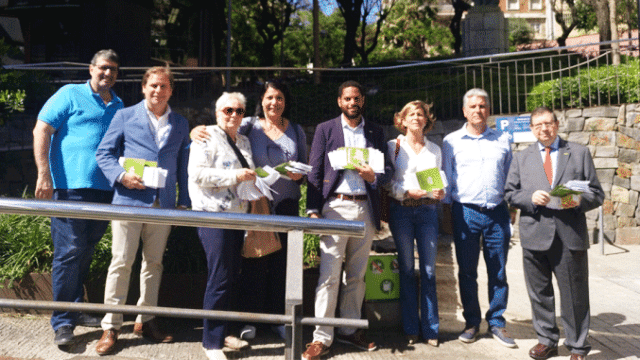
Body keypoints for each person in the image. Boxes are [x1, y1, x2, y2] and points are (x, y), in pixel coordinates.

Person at [190, 81, 307, 340]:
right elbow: (221, 131)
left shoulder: (296, 131)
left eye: (279, 97)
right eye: (269, 98)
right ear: (261, 102)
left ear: (285, 102)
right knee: (253, 262)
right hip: (255, 204)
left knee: (281, 266)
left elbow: (306, 168)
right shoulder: (248, 125)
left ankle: (278, 319)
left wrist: (298, 175)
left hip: (286, 205)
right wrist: (196, 131)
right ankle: (248, 321)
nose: (274, 103)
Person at [93, 66, 191, 354]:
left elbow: (183, 166)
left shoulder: (181, 123)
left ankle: (145, 320)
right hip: (128, 201)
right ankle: (110, 326)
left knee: (154, 264)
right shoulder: (124, 116)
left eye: (164, 86)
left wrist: (183, 199)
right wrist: (121, 176)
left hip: (164, 205)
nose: (158, 91)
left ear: (171, 90)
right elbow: (103, 153)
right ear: (143, 88)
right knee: (121, 262)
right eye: (153, 86)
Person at [32, 49, 124, 347]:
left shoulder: (119, 105)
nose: (107, 74)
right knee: (69, 251)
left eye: (113, 70)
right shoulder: (69, 94)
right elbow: (42, 129)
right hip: (69, 188)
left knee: (85, 251)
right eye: (103, 68)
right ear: (91, 68)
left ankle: (74, 308)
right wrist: (43, 174)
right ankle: (62, 322)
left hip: (104, 190)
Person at [505, 107, 604, 360]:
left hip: (569, 235)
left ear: (557, 124)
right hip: (534, 234)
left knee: (574, 294)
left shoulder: (579, 153)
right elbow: (510, 194)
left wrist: (576, 201)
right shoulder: (521, 158)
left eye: (547, 123)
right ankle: (546, 340)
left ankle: (578, 346)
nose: (543, 129)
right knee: (539, 293)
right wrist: (529, 197)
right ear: (531, 129)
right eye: (537, 125)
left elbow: (596, 193)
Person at [302, 80, 392, 360]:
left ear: (362, 101)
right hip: (335, 208)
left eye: (357, 98)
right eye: (347, 99)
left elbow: (388, 171)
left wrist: (373, 177)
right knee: (328, 276)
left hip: (365, 208)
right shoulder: (325, 129)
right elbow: (315, 172)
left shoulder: (376, 131)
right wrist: (313, 210)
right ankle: (322, 337)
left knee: (357, 275)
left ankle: (350, 331)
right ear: (339, 102)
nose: (353, 103)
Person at [441, 88, 516, 348]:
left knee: (498, 270)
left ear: (489, 109)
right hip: (465, 212)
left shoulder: (503, 140)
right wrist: (447, 213)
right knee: (467, 271)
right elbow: (447, 180)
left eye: (482, 106)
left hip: (497, 212)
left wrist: (510, 208)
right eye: (472, 106)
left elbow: (509, 177)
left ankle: (496, 321)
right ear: (464, 111)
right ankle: (472, 321)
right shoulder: (451, 141)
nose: (477, 111)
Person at [188, 92, 256, 360]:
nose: (233, 115)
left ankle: (223, 331)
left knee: (230, 275)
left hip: (238, 215)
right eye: (228, 110)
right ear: (217, 113)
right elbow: (198, 174)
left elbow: (249, 174)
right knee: (219, 276)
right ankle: (211, 343)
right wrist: (235, 175)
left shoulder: (245, 140)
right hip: (212, 215)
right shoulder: (205, 136)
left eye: (239, 111)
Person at [385, 100, 444, 347]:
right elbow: (387, 182)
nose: (416, 117)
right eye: (411, 114)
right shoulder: (393, 147)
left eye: (420, 114)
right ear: (403, 119)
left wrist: (440, 192)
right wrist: (408, 192)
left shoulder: (435, 150)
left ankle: (431, 329)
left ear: (426, 119)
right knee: (407, 270)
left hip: (428, 212)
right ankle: (410, 327)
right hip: (402, 212)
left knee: (429, 271)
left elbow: (439, 180)